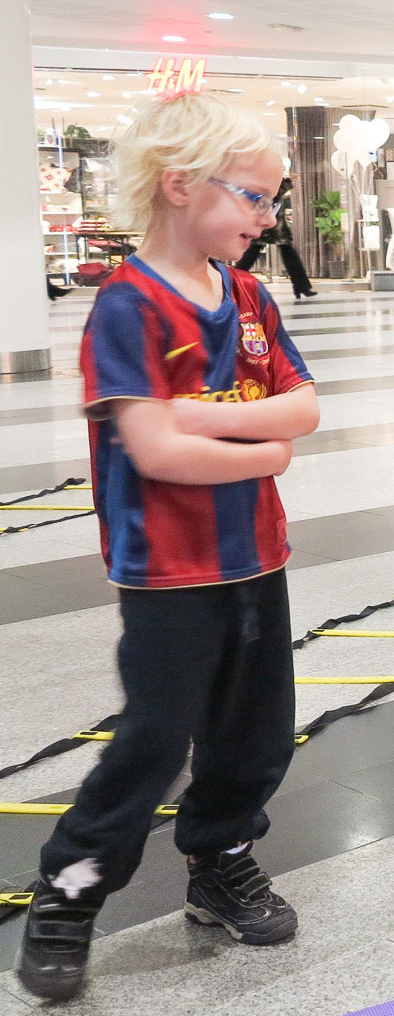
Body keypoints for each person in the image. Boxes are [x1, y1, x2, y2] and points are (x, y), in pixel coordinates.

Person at [16, 93, 320, 1002]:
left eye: (273, 200)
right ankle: (69, 890)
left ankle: (220, 856)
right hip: (168, 568)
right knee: (155, 735)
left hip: (255, 556)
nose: (267, 218)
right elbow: (156, 452)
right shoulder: (127, 307)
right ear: (181, 185)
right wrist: (261, 449)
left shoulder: (253, 295)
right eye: (253, 198)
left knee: (256, 729)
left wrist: (207, 420)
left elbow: (303, 404)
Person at [234, 176, 316, 299]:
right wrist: (286, 182)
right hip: (270, 224)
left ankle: (301, 285)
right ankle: (233, 282)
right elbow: (274, 195)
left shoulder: (265, 181)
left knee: (285, 255)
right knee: (252, 255)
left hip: (275, 224)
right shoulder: (268, 182)